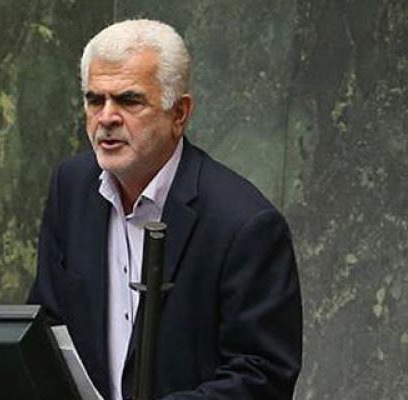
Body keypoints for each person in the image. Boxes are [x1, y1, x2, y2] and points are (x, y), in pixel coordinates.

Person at [27, 19, 302, 400]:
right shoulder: (71, 186)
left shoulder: (245, 224)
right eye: (95, 100)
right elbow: (45, 326)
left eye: (129, 100)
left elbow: (263, 376)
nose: (106, 117)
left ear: (179, 113)